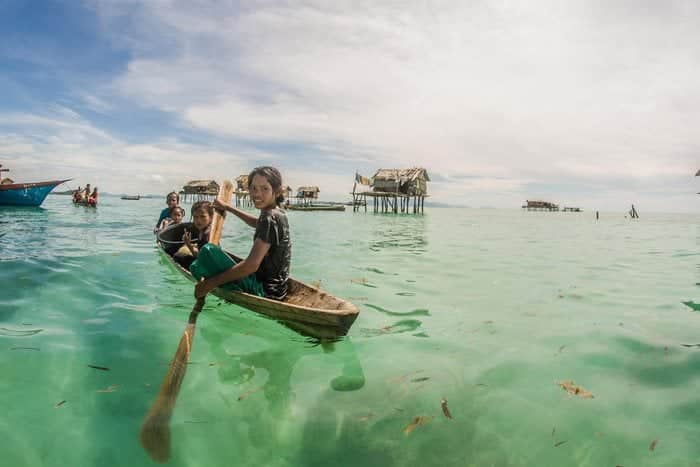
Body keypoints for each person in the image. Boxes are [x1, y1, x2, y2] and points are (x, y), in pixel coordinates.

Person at [192, 166, 291, 300]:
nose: (257, 194)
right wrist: (228, 208)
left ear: (277, 191)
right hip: (279, 288)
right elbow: (257, 223)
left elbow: (251, 265)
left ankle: (217, 285)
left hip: (265, 290)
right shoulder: (278, 213)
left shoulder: (269, 217)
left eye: (265, 189)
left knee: (207, 251)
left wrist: (209, 285)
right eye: (253, 188)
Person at [173, 201, 213, 270]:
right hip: (206, 262)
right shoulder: (204, 230)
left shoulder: (207, 234)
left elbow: (202, 259)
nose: (198, 220)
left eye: (202, 216)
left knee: (177, 256)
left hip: (206, 267)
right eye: (195, 217)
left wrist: (188, 245)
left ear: (211, 217)